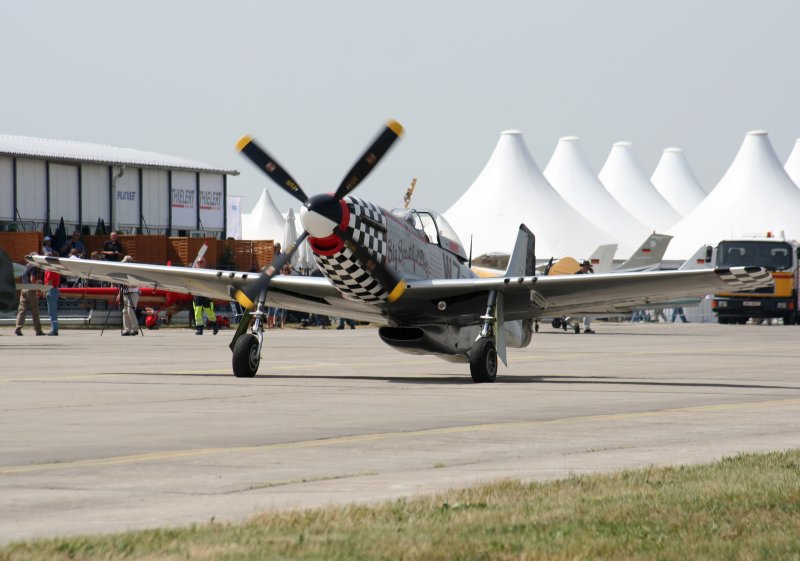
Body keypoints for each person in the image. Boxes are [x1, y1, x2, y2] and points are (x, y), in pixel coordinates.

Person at [15, 262, 45, 336]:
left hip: (23, 289)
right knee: (35, 311)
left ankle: (18, 328)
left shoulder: (25, 267)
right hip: (31, 290)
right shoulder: (34, 267)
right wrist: (38, 290)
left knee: (21, 310)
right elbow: (32, 279)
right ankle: (38, 330)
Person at [192, 257, 217, 335]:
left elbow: (212, 284)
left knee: (209, 312)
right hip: (197, 294)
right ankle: (199, 329)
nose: (199, 263)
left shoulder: (208, 272)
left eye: (201, 262)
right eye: (198, 262)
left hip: (206, 294)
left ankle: (215, 325)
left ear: (204, 263)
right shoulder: (193, 273)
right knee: (197, 312)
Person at [118, 256, 140, 336]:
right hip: (124, 293)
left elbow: (136, 284)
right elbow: (120, 285)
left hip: (133, 293)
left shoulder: (134, 271)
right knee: (125, 312)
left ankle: (135, 329)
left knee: (131, 311)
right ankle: (127, 329)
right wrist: (119, 293)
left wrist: (128, 285)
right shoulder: (122, 273)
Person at [42, 251, 61, 336]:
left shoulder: (50, 268)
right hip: (52, 289)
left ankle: (54, 330)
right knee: (51, 312)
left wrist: (45, 290)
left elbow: (50, 281)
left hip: (51, 290)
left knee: (52, 312)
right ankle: (54, 329)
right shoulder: (52, 267)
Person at [575, 260, 595, 334]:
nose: (587, 268)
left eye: (588, 266)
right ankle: (565, 321)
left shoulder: (588, 274)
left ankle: (586, 329)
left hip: (586, 296)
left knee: (587, 312)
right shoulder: (576, 274)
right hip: (578, 296)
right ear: (583, 266)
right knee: (576, 312)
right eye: (586, 266)